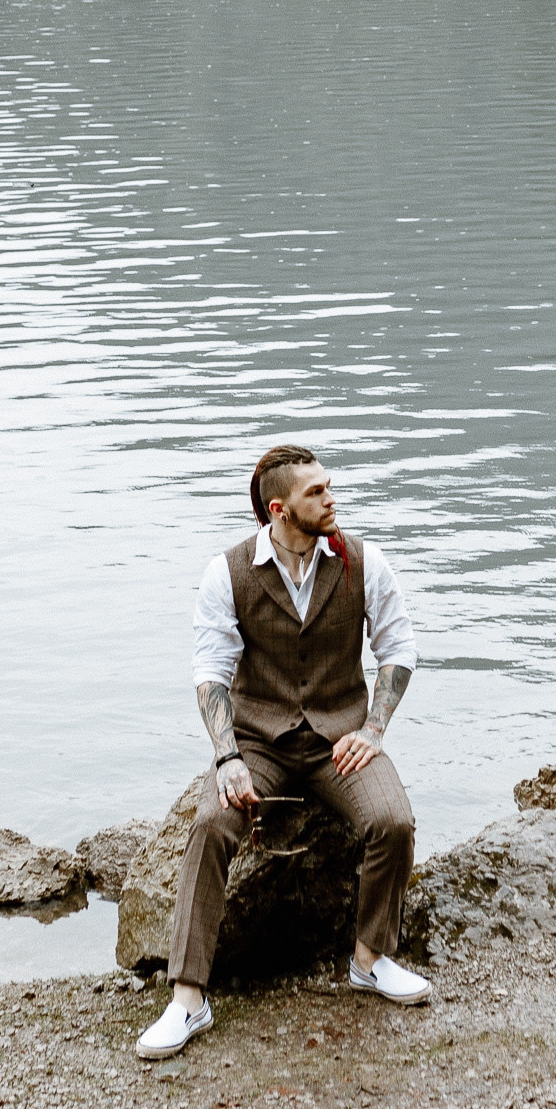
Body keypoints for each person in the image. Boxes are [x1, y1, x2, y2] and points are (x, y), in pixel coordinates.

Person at [136, 442, 431, 1060]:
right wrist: (227, 757)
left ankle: (370, 960)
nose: (332, 498)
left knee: (393, 821)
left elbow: (398, 649)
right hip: (258, 742)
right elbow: (211, 674)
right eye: (316, 492)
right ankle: (189, 999)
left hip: (338, 740)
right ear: (280, 510)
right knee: (213, 821)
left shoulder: (363, 561)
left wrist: (372, 730)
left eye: (329, 486)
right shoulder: (228, 571)